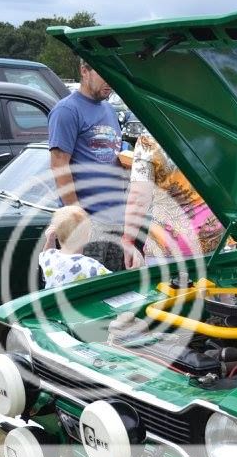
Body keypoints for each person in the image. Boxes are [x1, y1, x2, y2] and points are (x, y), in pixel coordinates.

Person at [120, 132, 226, 269]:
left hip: (167, 248)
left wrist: (128, 240)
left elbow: (139, 198)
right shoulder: (210, 129)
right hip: (214, 239)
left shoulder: (149, 138)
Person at [47, 59, 125, 221]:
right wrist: (77, 218)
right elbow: (59, 166)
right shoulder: (66, 110)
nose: (109, 81)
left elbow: (112, 156)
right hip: (88, 219)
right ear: (84, 71)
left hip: (115, 217)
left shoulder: (109, 109)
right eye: (103, 73)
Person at [38, 205, 114, 289]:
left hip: (54, 301)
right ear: (87, 236)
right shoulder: (91, 266)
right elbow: (112, 281)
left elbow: (46, 253)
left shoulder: (50, 258)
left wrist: (50, 239)